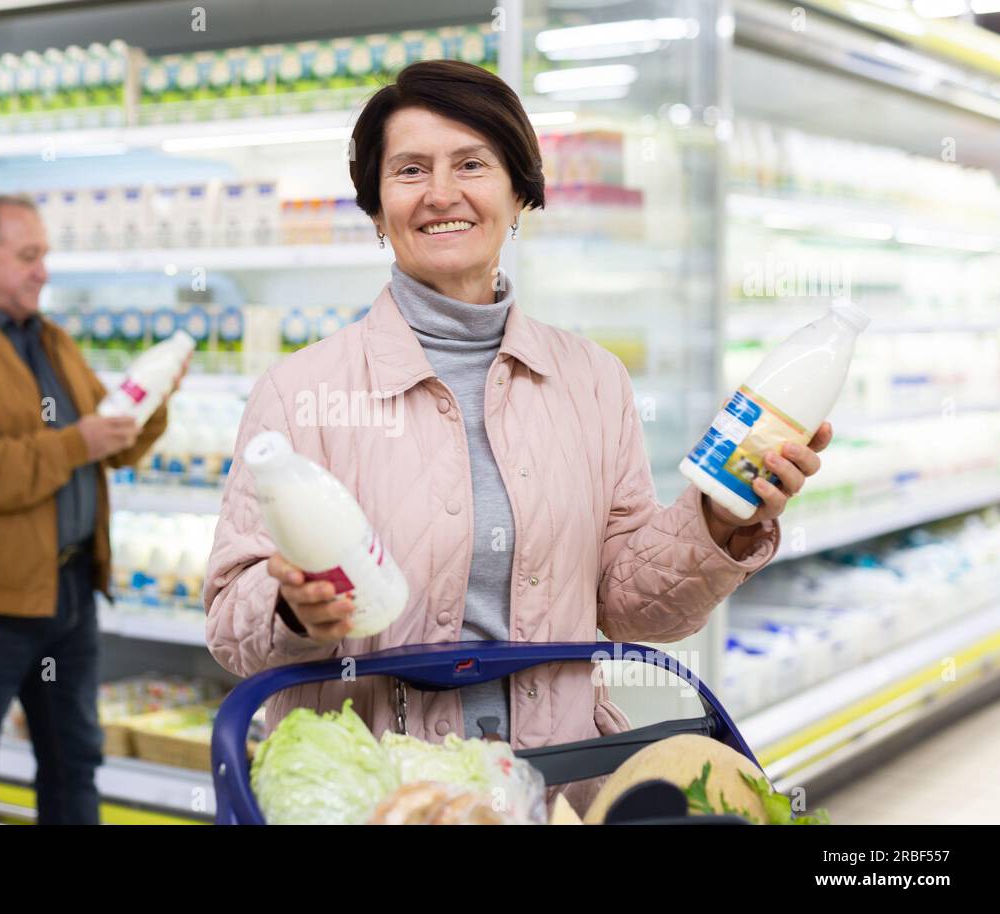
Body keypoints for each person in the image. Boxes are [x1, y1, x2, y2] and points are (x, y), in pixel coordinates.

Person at [203, 60, 831, 815]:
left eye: (473, 163)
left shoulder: (590, 379)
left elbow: (633, 607)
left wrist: (720, 523)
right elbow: (231, 627)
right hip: (382, 795)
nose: (441, 193)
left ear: (519, 192)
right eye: (409, 170)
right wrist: (294, 612)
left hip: (557, 781)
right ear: (376, 208)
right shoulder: (300, 393)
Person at [0, 194, 177, 824]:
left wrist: (151, 398)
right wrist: (78, 441)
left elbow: (110, 444)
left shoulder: (48, 338)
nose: (42, 270)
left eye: (44, 255)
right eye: (28, 256)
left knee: (75, 763)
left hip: (69, 591)